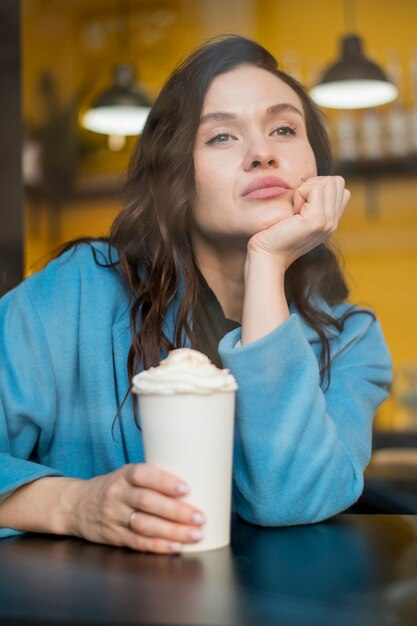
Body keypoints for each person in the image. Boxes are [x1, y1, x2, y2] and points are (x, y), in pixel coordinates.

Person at [0, 36, 392, 554]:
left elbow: (290, 497)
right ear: (175, 174)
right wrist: (71, 504)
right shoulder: (77, 291)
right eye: (222, 137)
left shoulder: (349, 339)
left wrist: (268, 262)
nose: (262, 153)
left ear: (316, 164)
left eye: (283, 129)